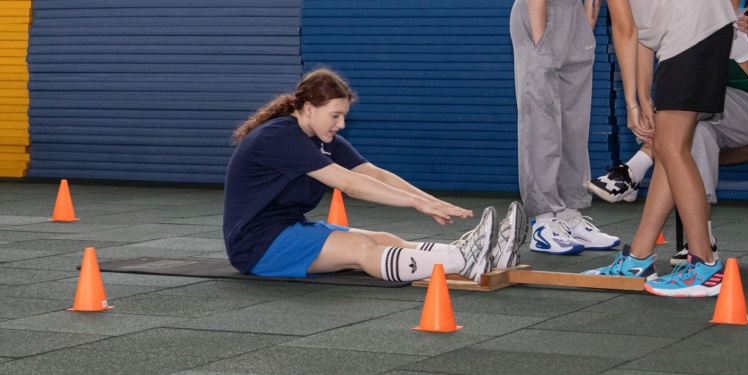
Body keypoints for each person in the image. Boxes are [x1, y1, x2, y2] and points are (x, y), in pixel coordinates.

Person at [527, 0, 737, 297]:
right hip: (693, 32)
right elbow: (639, 32)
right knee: (667, 146)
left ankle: (705, 265)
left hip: (695, 31)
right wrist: (641, 96)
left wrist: (632, 102)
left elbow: (622, 29)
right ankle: (639, 257)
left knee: (672, 148)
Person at [588, 0, 748, 265]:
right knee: (695, 133)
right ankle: (703, 240)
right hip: (714, 114)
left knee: (690, 107)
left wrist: (734, 39)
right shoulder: (699, 15)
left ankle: (635, 168)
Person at [223, 68, 527, 283]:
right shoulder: (279, 137)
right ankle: (464, 260)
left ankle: (477, 252)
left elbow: (374, 174)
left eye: (343, 116)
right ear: (308, 109)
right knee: (361, 249)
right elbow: (351, 184)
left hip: (287, 229)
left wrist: (430, 200)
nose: (341, 125)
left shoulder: (322, 138)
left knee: (384, 239)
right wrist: (415, 204)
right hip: (257, 245)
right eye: (335, 116)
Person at [510, 0, 637, 256]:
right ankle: (543, 219)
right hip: (540, 13)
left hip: (573, 17)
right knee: (541, 121)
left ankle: (570, 212)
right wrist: (541, 40)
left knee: (574, 123)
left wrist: (585, 27)